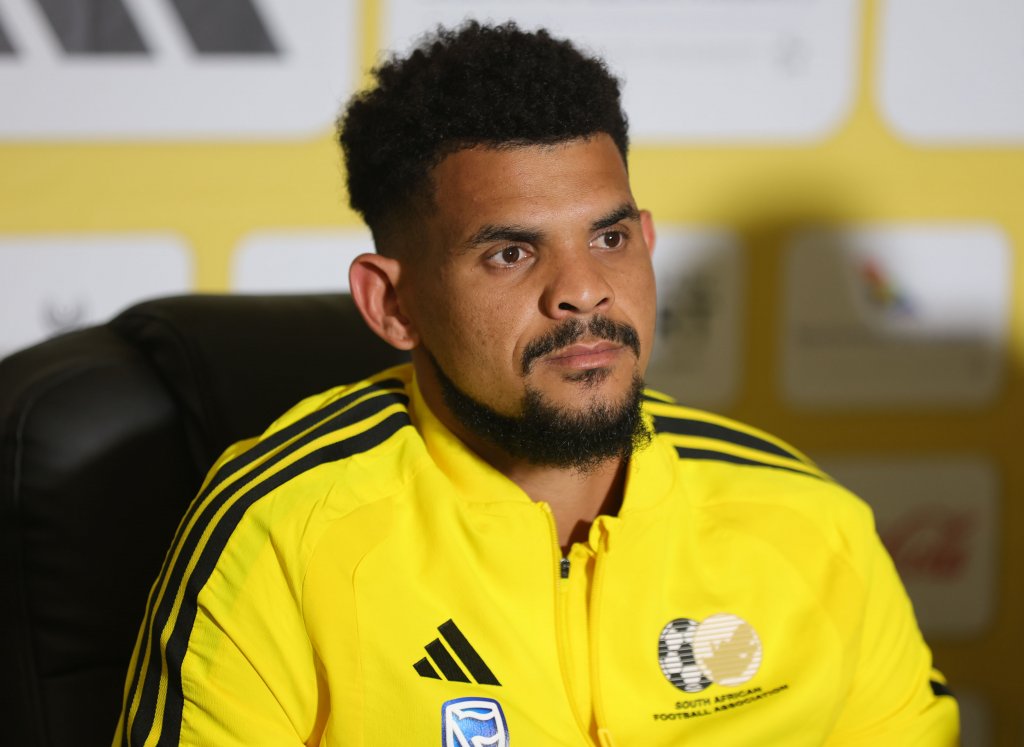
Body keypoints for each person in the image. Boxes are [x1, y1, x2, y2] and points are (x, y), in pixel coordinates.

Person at [115, 21, 958, 746]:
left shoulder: (812, 523)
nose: (583, 291)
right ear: (393, 304)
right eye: (511, 253)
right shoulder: (280, 535)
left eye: (610, 239)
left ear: (647, 241)